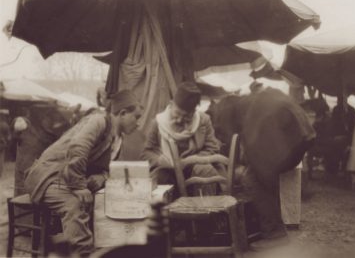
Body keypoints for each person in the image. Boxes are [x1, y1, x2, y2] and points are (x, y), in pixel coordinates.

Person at [24, 90, 142, 256]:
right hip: (47, 176)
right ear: (122, 113)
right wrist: (79, 186)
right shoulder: (99, 120)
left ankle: (106, 248)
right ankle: (84, 253)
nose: (138, 123)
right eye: (136, 117)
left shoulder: (118, 139)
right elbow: (77, 148)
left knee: (108, 200)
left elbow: (108, 170)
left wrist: (101, 177)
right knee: (75, 204)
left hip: (67, 178)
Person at [142, 81, 227, 196]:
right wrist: (159, 160)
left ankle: (205, 211)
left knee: (205, 170)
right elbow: (147, 152)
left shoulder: (203, 120)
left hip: (194, 168)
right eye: (177, 114)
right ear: (171, 104)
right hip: (168, 169)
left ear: (194, 112)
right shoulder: (158, 123)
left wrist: (192, 161)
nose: (179, 120)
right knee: (160, 178)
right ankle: (165, 212)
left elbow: (212, 148)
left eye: (187, 116)